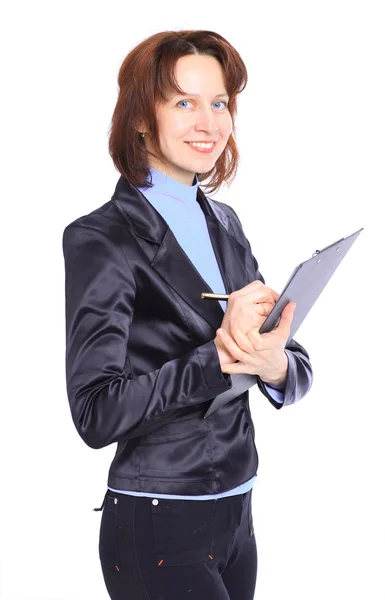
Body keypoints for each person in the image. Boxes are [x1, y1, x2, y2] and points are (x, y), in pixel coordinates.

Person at [62, 29, 313, 600]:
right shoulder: (101, 239)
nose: (209, 123)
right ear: (141, 118)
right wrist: (219, 358)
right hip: (158, 520)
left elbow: (290, 369)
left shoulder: (225, 223)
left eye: (219, 102)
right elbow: (95, 413)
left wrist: (274, 366)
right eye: (184, 102)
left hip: (236, 513)